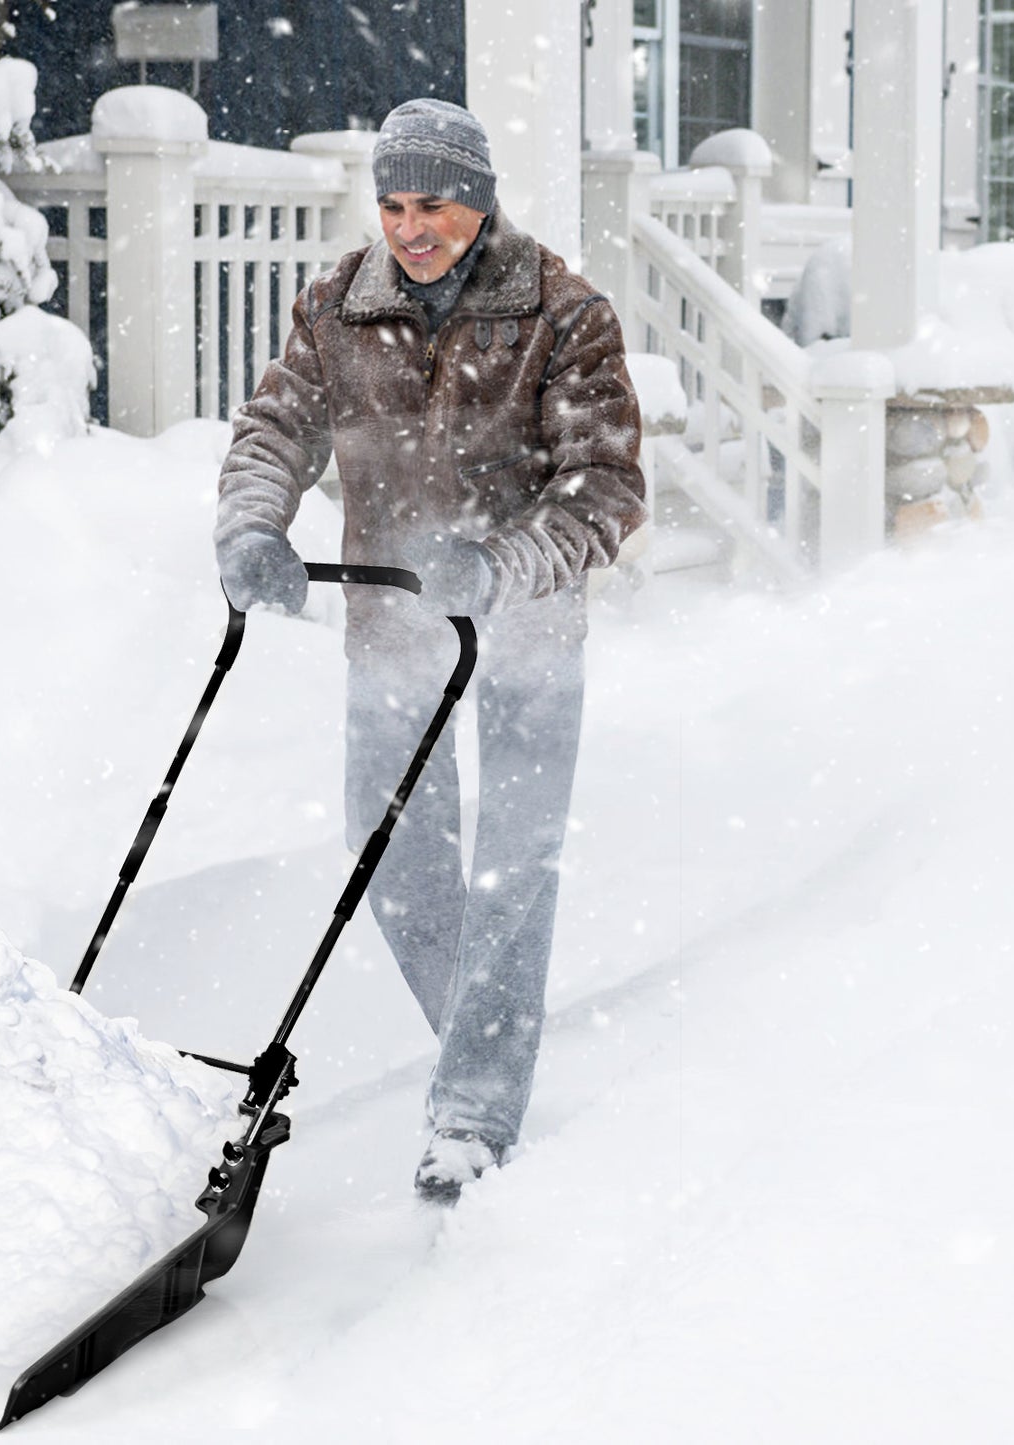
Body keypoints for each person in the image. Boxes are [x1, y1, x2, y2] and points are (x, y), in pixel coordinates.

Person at [214, 98, 646, 1202]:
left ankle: (470, 1110)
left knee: (511, 868)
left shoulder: (561, 310)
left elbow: (604, 487)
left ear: (480, 197)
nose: (411, 228)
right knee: (387, 850)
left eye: (435, 204)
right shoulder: (338, 306)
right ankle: (482, 1036)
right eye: (395, 204)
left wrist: (501, 565)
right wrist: (255, 527)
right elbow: (274, 429)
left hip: (525, 634)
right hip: (392, 631)